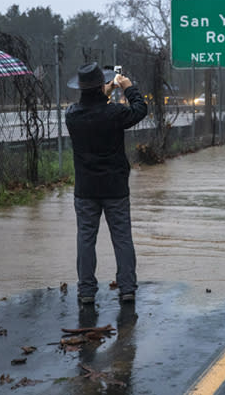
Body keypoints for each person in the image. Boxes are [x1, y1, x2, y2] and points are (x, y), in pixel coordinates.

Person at [66, 62, 147, 305]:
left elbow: (92, 108)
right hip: (115, 187)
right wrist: (128, 87)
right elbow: (140, 109)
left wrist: (104, 93)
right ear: (102, 85)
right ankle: (127, 288)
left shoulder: (72, 115)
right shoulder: (115, 114)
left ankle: (87, 291)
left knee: (85, 239)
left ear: (80, 87)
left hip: (86, 189)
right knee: (122, 237)